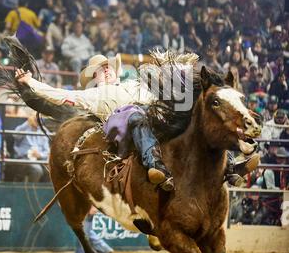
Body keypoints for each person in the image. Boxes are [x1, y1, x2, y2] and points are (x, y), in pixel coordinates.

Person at [15, 54, 258, 190]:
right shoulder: (93, 95)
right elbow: (57, 95)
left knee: (191, 119)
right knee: (135, 115)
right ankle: (156, 166)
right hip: (122, 129)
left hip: (151, 123)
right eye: (101, 70)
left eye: (108, 67)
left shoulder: (135, 85)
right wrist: (30, 83)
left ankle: (228, 168)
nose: (107, 70)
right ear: (94, 78)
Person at [12, 111, 50, 182]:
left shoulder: (44, 131)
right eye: (35, 118)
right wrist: (27, 123)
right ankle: (31, 191)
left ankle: (43, 191)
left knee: (50, 169)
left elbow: (47, 151)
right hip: (24, 157)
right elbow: (15, 135)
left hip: (39, 159)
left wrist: (40, 155)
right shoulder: (24, 127)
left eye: (39, 118)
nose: (37, 120)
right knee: (37, 170)